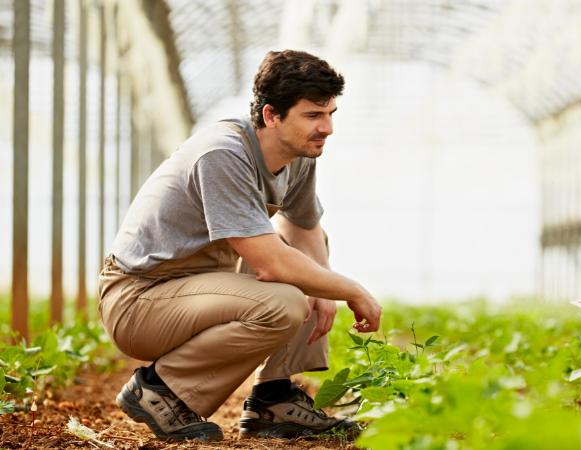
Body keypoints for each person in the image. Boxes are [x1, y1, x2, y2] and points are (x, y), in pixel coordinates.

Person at [98, 50, 382, 442]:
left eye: (331, 113)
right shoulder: (223, 153)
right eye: (313, 115)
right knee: (284, 299)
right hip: (140, 300)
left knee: (309, 258)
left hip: (200, 288)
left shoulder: (299, 157)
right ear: (271, 115)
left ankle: (274, 399)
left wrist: (326, 288)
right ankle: (160, 389)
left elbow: (304, 227)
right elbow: (269, 264)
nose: (327, 127)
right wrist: (349, 289)